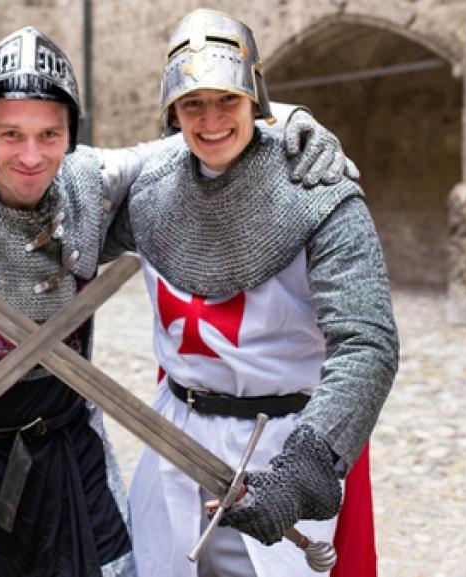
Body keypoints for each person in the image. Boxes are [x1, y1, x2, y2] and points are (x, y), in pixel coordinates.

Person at [0, 26, 353, 577]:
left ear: (71, 135)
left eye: (49, 135)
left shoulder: (94, 186)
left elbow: (207, 131)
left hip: (73, 450)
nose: (32, 156)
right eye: (11, 134)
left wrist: (289, 119)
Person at [110, 9, 399, 577]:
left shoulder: (318, 189)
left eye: (228, 100)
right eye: (193, 103)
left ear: (254, 101)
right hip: (176, 438)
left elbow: (368, 343)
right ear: (172, 112)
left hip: (282, 443)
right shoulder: (148, 188)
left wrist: (306, 467)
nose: (211, 119)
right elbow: (52, 193)